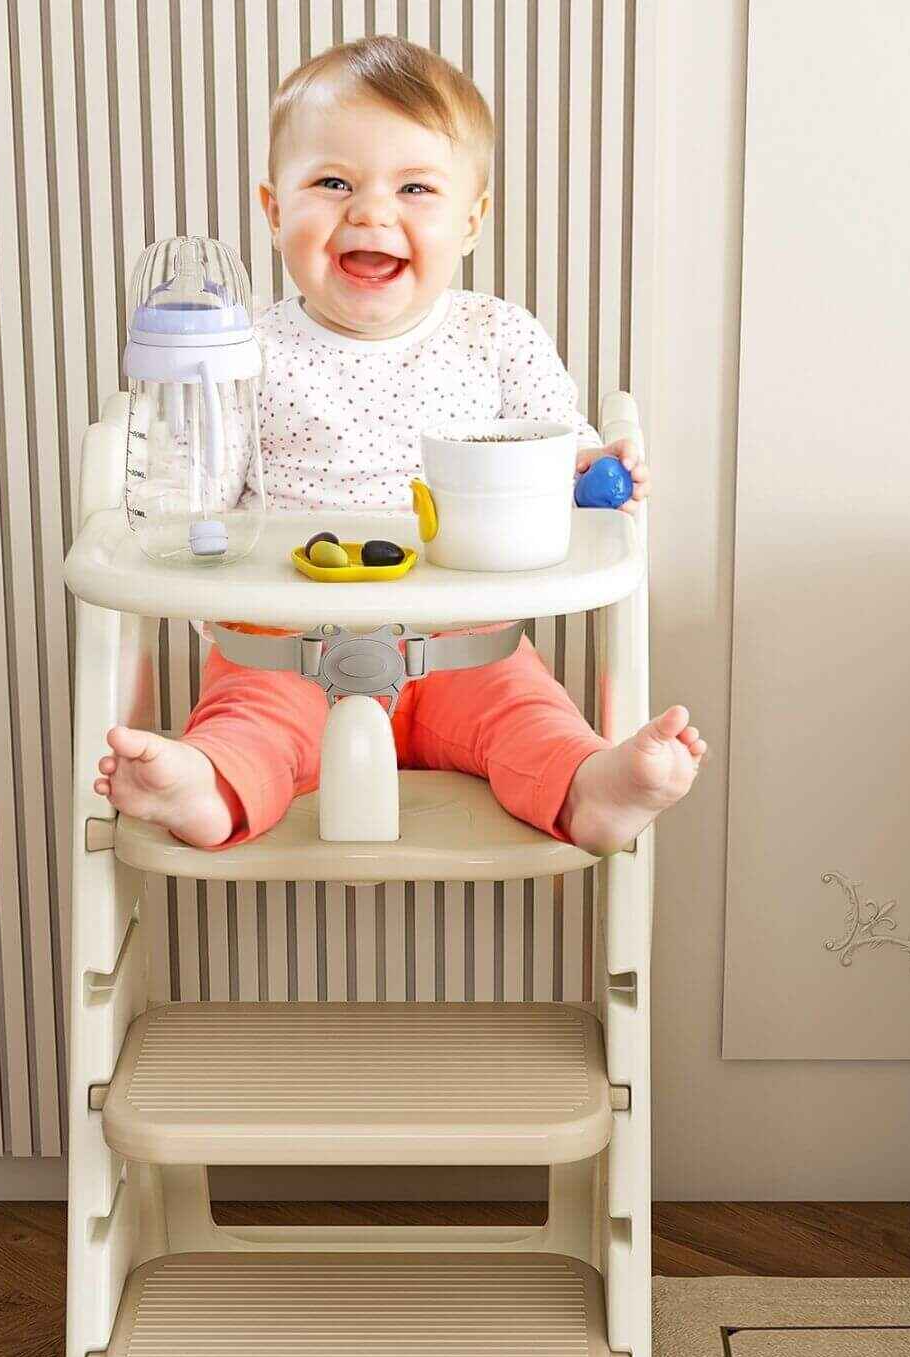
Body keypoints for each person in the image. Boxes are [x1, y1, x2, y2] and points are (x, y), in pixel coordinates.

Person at [95, 35, 705, 855]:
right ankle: (203, 787)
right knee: (249, 727)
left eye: (414, 187)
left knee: (529, 719)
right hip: (284, 650)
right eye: (333, 184)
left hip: (466, 645)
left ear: (471, 219)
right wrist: (183, 398)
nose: (371, 213)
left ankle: (595, 788)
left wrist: (597, 470)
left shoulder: (497, 336)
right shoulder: (248, 351)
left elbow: (560, 456)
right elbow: (192, 505)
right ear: (275, 211)